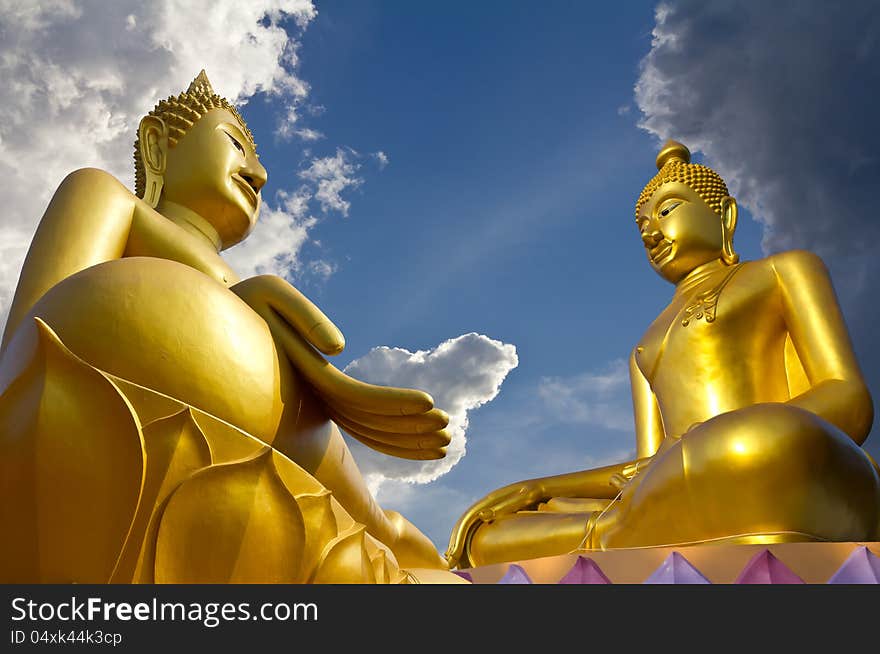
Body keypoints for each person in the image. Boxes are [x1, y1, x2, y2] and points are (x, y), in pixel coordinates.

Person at [0, 71, 453, 583]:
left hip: (289, 425)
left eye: (258, 162)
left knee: (381, 530)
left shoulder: (235, 276)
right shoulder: (107, 196)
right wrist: (238, 304)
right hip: (151, 397)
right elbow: (35, 328)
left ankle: (451, 570)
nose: (257, 174)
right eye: (235, 145)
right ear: (157, 146)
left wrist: (326, 379)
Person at [446, 140, 880, 569]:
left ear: (724, 215)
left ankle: (623, 534)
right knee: (489, 537)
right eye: (643, 228)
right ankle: (616, 532)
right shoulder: (644, 346)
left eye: (668, 211)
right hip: (669, 488)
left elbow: (848, 400)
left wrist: (730, 435)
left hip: (769, 460)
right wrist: (538, 489)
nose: (652, 233)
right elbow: (646, 464)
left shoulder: (781, 271)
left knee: (752, 444)